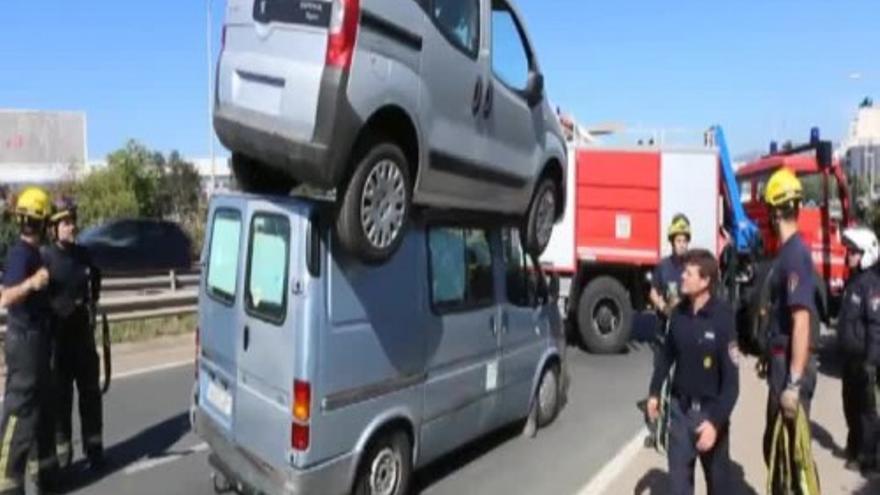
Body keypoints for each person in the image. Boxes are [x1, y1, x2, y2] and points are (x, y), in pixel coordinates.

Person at [647, 249, 740, 494]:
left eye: (688, 273)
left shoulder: (722, 318)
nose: (682, 278)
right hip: (680, 413)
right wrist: (654, 392)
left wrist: (715, 423)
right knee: (678, 487)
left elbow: (732, 384)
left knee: (718, 487)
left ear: (705, 281)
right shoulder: (677, 314)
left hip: (710, 415)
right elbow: (666, 357)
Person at [0, 187, 59, 494]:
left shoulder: (38, 254)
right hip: (23, 341)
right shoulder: (19, 254)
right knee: (20, 411)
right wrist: (32, 283)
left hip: (38, 342)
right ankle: (7, 481)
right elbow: (6, 297)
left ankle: (46, 475)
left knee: (43, 410)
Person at [759, 168, 819, 469]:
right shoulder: (787, 253)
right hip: (780, 362)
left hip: (791, 369)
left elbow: (802, 321)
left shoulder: (795, 255)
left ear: (776, 212)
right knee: (775, 451)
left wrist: (793, 384)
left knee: (789, 459)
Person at [43, 197, 104, 471]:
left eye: (72, 222)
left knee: (90, 396)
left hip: (83, 339)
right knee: (61, 403)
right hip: (58, 342)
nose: (71, 227)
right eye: (65, 223)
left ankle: (95, 451)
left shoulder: (84, 254)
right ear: (53, 228)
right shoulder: (45, 258)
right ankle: (64, 459)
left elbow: (96, 281)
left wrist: (92, 305)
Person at [837, 226, 880, 473]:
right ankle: (854, 448)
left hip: (865, 359)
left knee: (867, 410)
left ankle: (869, 457)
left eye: (853, 251)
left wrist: (871, 362)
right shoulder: (853, 281)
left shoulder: (871, 285)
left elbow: (876, 326)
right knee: (850, 405)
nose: (849, 255)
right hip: (850, 358)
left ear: (866, 253)